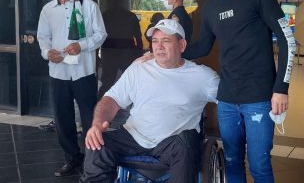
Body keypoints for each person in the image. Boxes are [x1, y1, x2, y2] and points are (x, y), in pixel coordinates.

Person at [192, 0, 295, 182]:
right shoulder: (210, 8)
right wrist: (168, 51)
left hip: (259, 99)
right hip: (227, 99)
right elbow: (203, 47)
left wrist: (281, 88)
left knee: (259, 166)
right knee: (231, 162)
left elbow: (287, 39)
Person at [79, 19, 219, 183]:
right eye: (155, 41)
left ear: (182, 45)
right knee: (97, 145)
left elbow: (229, 100)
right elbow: (112, 99)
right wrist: (97, 124)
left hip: (174, 143)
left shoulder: (203, 76)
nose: (159, 46)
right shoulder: (139, 68)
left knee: (186, 142)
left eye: (166, 41)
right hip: (133, 136)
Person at [37, 0, 107, 177]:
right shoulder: (48, 10)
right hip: (58, 73)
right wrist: (47, 52)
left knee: (89, 119)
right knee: (63, 119)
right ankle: (72, 159)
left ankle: (92, 162)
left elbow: (101, 34)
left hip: (83, 73)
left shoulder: (88, 6)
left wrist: (82, 45)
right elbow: (43, 37)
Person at [99, 0, 143, 97]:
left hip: (117, 52)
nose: (109, 1)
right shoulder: (129, 16)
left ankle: (101, 105)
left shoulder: (105, 16)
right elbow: (138, 38)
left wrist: (139, 55)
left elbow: (138, 38)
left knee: (114, 82)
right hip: (120, 52)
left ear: (117, 0)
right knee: (119, 82)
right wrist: (139, 55)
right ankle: (103, 105)